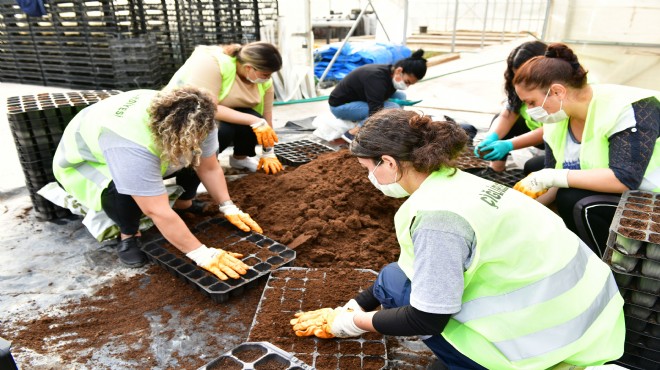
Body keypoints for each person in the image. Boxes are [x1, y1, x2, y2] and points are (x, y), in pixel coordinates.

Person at [290, 109, 624, 370]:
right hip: (594, 321)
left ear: (389, 162)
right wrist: (356, 305)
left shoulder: (438, 219)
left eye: (369, 168)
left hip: (539, 351)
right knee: (395, 275)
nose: (369, 177)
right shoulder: (461, 182)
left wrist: (349, 323)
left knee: (399, 287)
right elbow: (410, 267)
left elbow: (425, 318)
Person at [53, 87, 260, 280]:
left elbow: (208, 166)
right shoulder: (129, 141)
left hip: (154, 140)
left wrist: (227, 205)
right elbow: (156, 210)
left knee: (192, 157)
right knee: (122, 191)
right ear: (169, 131)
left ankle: (183, 205)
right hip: (88, 162)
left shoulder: (199, 115)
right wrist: (201, 254)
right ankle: (129, 234)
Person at [512, 42, 660, 257]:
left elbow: (625, 178)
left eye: (532, 102)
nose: (530, 110)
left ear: (557, 91)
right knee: (539, 172)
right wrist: (516, 207)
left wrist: (552, 177)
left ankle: (606, 263)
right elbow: (551, 179)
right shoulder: (557, 121)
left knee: (573, 200)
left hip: (649, 195)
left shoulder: (627, 107)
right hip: (621, 191)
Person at [167, 41, 284, 174]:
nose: (268, 78)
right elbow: (206, 107)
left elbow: (267, 116)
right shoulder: (214, 64)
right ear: (249, 68)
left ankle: (240, 159)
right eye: (265, 74)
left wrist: (268, 153)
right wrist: (255, 121)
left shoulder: (264, 81)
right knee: (222, 131)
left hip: (221, 110)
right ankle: (203, 167)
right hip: (189, 112)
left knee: (258, 122)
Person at [474, 40, 549, 174]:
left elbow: (553, 129)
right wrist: (490, 138)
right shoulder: (519, 87)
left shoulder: (556, 90)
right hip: (536, 131)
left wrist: (509, 145)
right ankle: (495, 170)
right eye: (516, 77)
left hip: (555, 141)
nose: (520, 81)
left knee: (532, 168)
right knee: (501, 118)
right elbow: (507, 115)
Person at [328, 49, 428, 143]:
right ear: (399, 71)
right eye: (407, 82)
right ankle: (352, 134)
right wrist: (388, 114)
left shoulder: (389, 72)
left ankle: (393, 123)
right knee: (393, 108)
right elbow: (375, 111)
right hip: (340, 106)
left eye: (410, 84)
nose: (407, 86)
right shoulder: (376, 78)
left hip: (359, 99)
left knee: (401, 96)